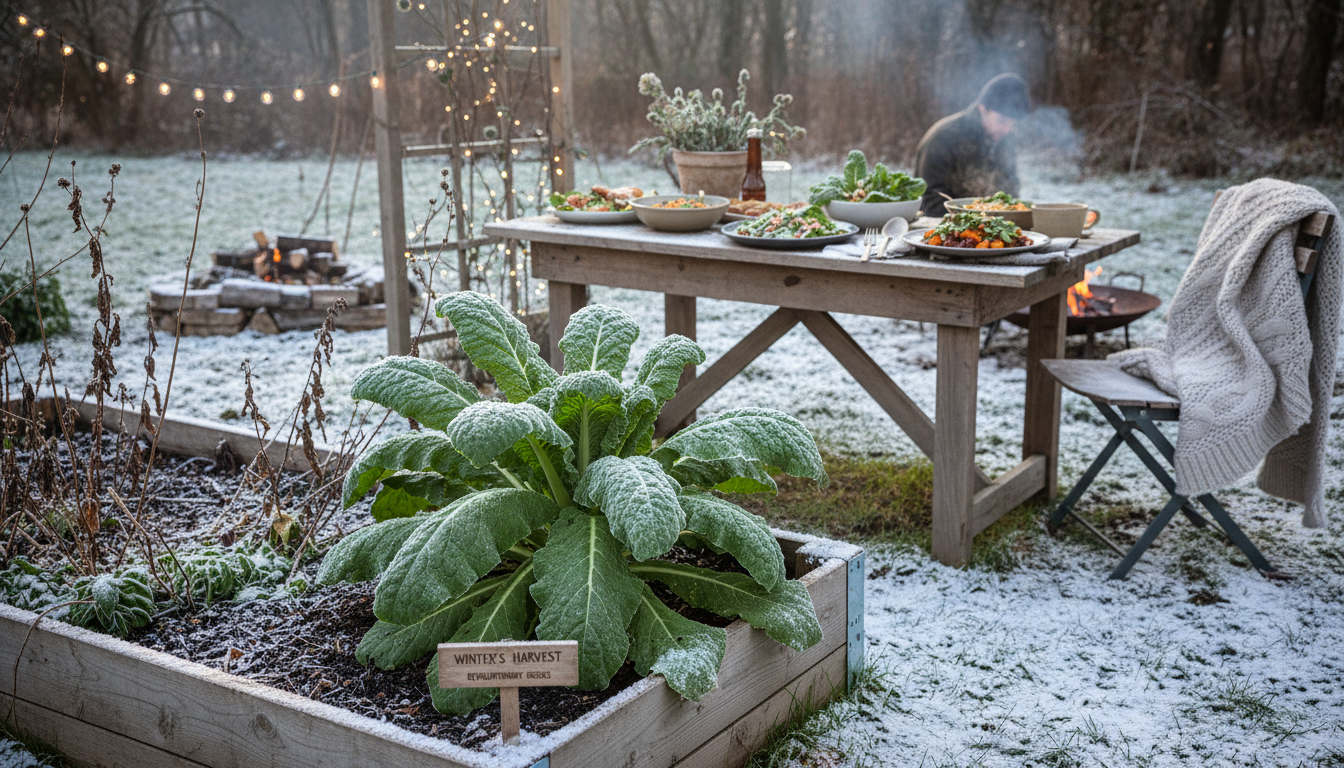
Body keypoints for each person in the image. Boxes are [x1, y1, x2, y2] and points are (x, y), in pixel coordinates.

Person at [914, 73, 1031, 217]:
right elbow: (931, 199)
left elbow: (1010, 190)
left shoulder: (1005, 139)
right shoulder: (944, 136)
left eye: (1013, 124)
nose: (1007, 130)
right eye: (1002, 120)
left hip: (992, 224)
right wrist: (974, 221)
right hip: (942, 222)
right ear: (982, 108)